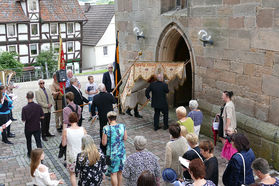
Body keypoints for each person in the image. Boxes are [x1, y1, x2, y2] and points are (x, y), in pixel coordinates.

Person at [102, 111, 127, 186]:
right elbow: (125, 138)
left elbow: (104, 143)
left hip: (112, 154)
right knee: (120, 172)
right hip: (121, 152)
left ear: (108, 119)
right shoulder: (122, 126)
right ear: (115, 118)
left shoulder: (106, 128)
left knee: (113, 173)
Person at [62, 112, 87, 186]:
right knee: (83, 174)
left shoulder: (66, 131)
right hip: (82, 155)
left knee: (72, 174)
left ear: (69, 120)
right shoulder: (83, 129)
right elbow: (86, 142)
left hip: (71, 156)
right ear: (77, 119)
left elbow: (63, 144)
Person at [91, 83, 116, 154]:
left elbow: (93, 107)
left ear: (99, 90)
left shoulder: (95, 97)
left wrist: (93, 115)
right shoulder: (109, 95)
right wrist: (112, 95)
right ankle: (112, 137)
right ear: (104, 88)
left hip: (102, 115)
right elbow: (114, 101)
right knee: (112, 126)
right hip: (110, 115)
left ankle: (103, 140)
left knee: (102, 128)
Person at [22, 91, 44, 158]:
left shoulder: (24, 108)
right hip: (36, 126)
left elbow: (23, 120)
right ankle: (40, 154)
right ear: (33, 97)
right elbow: (42, 116)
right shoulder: (38, 106)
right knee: (38, 141)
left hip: (28, 127)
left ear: (26, 97)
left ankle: (29, 153)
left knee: (29, 141)